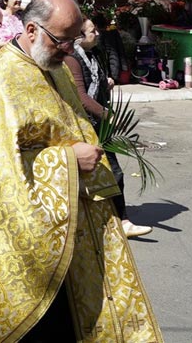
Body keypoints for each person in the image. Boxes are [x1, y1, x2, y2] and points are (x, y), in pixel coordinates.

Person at [0, 0, 162, 341]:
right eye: (62, 40)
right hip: (24, 243)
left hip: (72, 228)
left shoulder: (56, 66)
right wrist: (69, 160)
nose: (69, 49)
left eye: (74, 39)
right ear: (33, 30)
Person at [64, 17, 153, 239]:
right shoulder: (73, 60)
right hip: (88, 124)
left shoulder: (92, 55)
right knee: (113, 171)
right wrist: (108, 116)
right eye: (93, 31)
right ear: (79, 37)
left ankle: (111, 219)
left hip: (98, 123)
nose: (98, 34)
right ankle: (121, 221)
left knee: (105, 172)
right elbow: (81, 96)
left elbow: (95, 83)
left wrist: (107, 82)